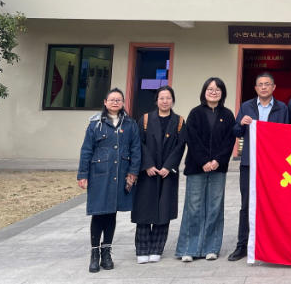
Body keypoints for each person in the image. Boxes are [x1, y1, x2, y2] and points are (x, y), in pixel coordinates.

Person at [77, 88, 141, 273]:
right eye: (112, 99)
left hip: (120, 175)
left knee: (112, 213)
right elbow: (86, 150)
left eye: (118, 100)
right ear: (105, 102)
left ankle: (107, 252)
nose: (115, 102)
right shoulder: (95, 124)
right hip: (99, 175)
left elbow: (136, 149)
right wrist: (82, 174)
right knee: (99, 213)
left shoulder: (130, 124)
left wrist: (133, 172)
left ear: (123, 103)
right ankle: (94, 253)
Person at [228, 72, 289, 261]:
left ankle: (274, 245)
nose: (263, 87)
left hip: (273, 165)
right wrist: (241, 123)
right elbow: (235, 131)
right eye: (260, 84)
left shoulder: (282, 108)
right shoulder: (246, 106)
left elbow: (286, 135)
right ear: (255, 88)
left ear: (274, 87)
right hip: (249, 163)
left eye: (267, 84)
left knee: (274, 204)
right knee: (246, 204)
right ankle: (242, 245)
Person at [175, 77, 235, 262]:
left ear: (222, 93)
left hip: (218, 168)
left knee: (215, 207)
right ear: (204, 92)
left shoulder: (228, 114)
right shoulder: (195, 113)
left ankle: (211, 248)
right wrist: (203, 161)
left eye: (217, 89)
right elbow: (192, 139)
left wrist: (217, 160)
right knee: (194, 206)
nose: (213, 92)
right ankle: (188, 249)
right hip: (196, 167)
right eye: (210, 89)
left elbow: (229, 140)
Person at [131, 85, 186, 264]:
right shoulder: (145, 119)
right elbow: (139, 143)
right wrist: (147, 165)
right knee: (144, 210)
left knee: (163, 211)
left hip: (167, 173)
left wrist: (169, 167)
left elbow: (180, 146)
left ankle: (156, 248)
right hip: (148, 172)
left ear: (173, 101)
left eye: (168, 98)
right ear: (156, 100)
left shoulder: (179, 121)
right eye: (162, 98)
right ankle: (142, 249)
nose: (165, 101)